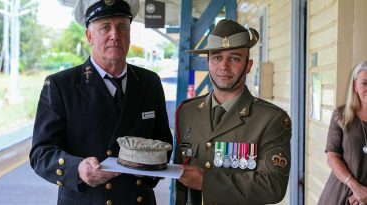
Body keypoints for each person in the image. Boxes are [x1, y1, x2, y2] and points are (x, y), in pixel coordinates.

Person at [29, 0, 173, 204]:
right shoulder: (61, 85)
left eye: (121, 26)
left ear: (130, 33)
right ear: (89, 36)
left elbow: (164, 142)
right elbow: (41, 153)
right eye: (105, 27)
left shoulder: (149, 82)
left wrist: (151, 169)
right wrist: (77, 169)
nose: (115, 35)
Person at [174, 19, 292, 205]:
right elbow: (180, 181)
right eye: (217, 57)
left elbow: (273, 186)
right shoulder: (186, 112)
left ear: (248, 65)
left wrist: (208, 182)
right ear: (208, 62)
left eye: (235, 58)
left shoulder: (270, 119)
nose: (224, 66)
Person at [318, 61, 367, 205]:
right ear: (355, 86)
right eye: (365, 83)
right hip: (341, 194)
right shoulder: (341, 116)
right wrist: (356, 187)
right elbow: (332, 157)